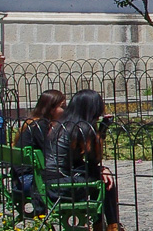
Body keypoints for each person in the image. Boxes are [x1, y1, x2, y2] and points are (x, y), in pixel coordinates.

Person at [42, 89, 120, 231]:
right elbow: (94, 159)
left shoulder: (62, 124)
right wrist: (101, 131)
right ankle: (112, 226)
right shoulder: (82, 127)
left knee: (96, 177)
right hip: (62, 187)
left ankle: (99, 224)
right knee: (106, 181)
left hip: (48, 183)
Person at [12, 89, 66, 214]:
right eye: (62, 106)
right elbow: (52, 154)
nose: (65, 110)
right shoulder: (40, 127)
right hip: (29, 181)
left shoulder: (33, 123)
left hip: (20, 179)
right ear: (51, 109)